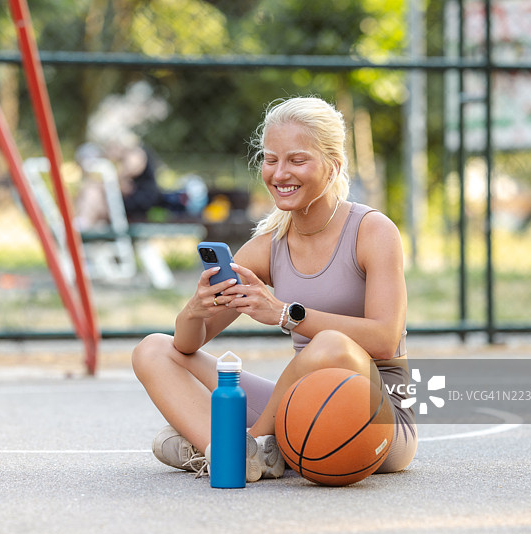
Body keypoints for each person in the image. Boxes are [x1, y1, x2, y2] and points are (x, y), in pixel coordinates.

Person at [131, 96, 417, 482]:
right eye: (270, 159)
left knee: (330, 346)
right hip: (300, 406)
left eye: (297, 160)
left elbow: (384, 339)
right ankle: (238, 453)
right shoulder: (269, 243)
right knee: (152, 350)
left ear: (332, 166)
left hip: (375, 412)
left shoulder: (373, 231)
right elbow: (185, 346)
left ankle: (246, 445)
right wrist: (195, 311)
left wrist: (285, 313)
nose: (279, 173)